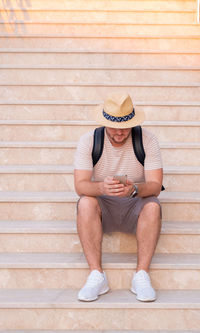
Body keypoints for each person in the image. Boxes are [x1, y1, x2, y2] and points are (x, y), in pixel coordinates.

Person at [74, 92, 163, 302]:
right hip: (104, 206)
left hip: (135, 204)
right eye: (114, 127)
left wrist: (134, 190)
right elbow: (80, 185)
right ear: (105, 122)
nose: (119, 133)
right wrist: (102, 188)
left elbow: (155, 186)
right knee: (85, 202)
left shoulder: (147, 140)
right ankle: (97, 275)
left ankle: (141, 274)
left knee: (153, 206)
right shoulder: (88, 141)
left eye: (125, 127)